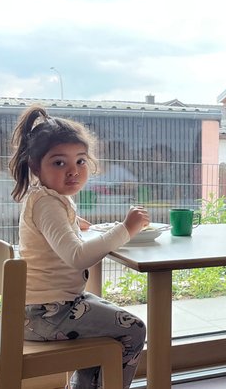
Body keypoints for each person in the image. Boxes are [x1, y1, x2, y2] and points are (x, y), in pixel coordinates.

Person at [9, 105, 149, 389]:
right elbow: (77, 257)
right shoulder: (48, 204)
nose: (73, 171)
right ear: (35, 166)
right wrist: (126, 228)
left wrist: (73, 224)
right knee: (134, 330)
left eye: (81, 161)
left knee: (108, 326)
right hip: (48, 313)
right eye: (59, 163)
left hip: (45, 308)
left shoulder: (47, 198)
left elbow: (53, 235)